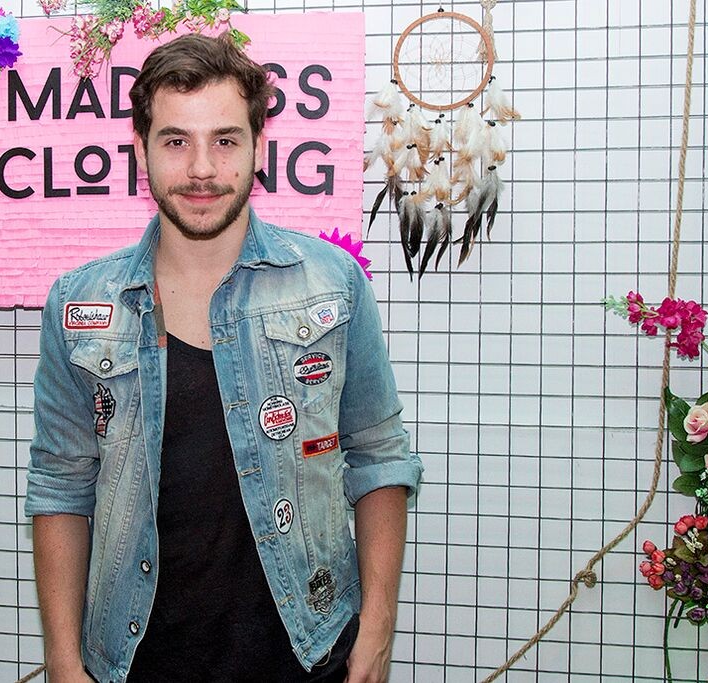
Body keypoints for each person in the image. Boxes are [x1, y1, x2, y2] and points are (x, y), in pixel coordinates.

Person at [25, 33, 423, 683]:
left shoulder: (332, 282)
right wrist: (65, 663)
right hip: (137, 662)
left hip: (309, 655)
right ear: (139, 149)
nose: (203, 169)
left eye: (226, 140)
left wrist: (377, 631)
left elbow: (379, 456)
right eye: (176, 141)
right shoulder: (80, 303)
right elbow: (60, 486)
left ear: (259, 147)